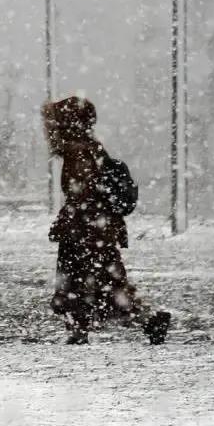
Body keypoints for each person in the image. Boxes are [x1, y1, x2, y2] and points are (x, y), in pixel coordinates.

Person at [42, 96, 170, 345]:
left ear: (69, 124)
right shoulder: (88, 148)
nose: (50, 131)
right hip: (92, 230)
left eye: (56, 124)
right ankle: (87, 328)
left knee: (92, 283)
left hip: (87, 231)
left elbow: (84, 193)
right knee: (95, 283)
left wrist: (75, 218)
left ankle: (145, 321)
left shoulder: (79, 152)